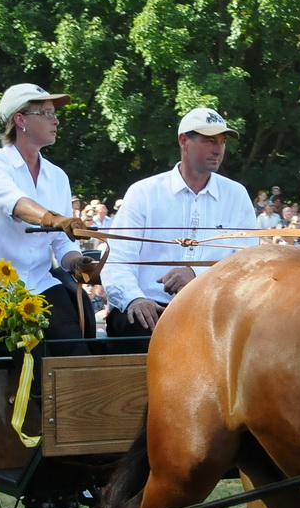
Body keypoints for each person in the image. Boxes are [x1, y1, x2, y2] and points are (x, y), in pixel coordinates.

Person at [0, 83, 96, 355]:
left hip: (38, 282)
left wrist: (76, 262)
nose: (56, 120)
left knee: (76, 349)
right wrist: (55, 218)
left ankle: (79, 398)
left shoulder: (58, 176)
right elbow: (17, 204)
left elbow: (61, 242)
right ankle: (33, 399)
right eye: (47, 113)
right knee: (31, 348)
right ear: (20, 120)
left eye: (54, 113)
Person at [102, 106, 259, 350]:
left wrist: (196, 275)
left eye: (222, 142)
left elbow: (248, 263)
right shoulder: (144, 192)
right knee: (140, 326)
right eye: (209, 141)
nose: (218, 150)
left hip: (212, 310)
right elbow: (116, 260)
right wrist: (135, 298)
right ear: (184, 141)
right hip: (150, 308)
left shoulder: (236, 195)